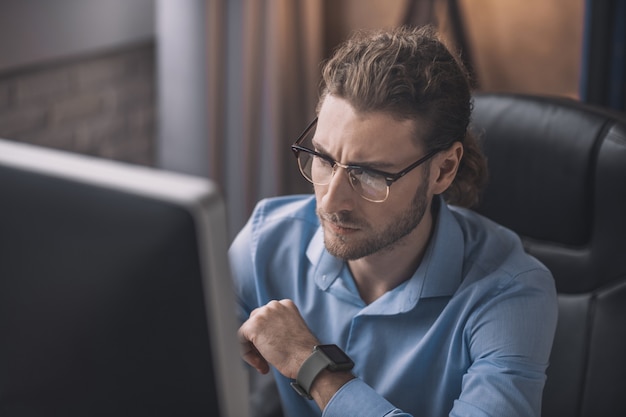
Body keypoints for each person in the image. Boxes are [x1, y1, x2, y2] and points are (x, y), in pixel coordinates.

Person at [230, 25, 558, 417]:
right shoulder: (264, 239)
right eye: (323, 159)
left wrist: (311, 366)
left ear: (443, 170)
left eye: (370, 174)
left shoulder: (510, 292)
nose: (332, 200)